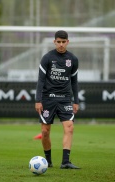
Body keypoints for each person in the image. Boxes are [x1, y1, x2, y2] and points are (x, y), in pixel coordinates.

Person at [35, 30, 80, 169]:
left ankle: (65, 162)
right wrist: (38, 100)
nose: (61, 45)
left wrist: (76, 101)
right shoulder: (47, 58)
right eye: (58, 42)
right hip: (48, 99)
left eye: (63, 42)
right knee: (45, 132)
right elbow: (40, 81)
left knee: (69, 127)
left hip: (65, 99)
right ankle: (48, 161)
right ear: (54, 42)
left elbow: (74, 82)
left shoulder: (73, 59)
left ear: (68, 42)